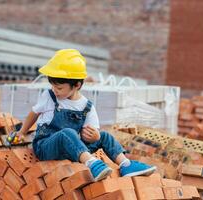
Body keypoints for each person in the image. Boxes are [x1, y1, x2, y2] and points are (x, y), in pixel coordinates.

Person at [16, 49, 156, 181]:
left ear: (76, 85)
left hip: (73, 150)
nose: (55, 90)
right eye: (53, 86)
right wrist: (22, 132)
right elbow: (34, 113)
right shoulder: (49, 96)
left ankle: (125, 164)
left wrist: (94, 136)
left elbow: (92, 133)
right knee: (67, 133)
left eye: (59, 88)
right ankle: (91, 164)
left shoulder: (87, 107)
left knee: (104, 136)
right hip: (46, 147)